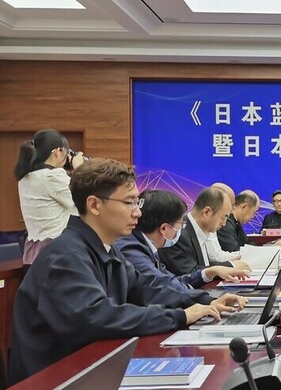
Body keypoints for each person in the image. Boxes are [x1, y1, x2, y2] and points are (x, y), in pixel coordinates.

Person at [8, 159, 246, 384]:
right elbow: (98, 317)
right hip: (55, 380)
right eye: (129, 203)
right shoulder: (65, 257)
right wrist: (180, 316)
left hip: (92, 368)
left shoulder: (105, 249)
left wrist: (206, 300)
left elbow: (147, 287)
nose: (137, 212)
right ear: (94, 205)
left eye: (136, 203)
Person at [115, 189, 248, 296]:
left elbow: (173, 281)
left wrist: (210, 272)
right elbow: (166, 286)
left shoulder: (148, 247)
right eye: (130, 203)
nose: (136, 212)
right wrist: (207, 302)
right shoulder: (131, 248)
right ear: (164, 228)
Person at [14, 129, 86, 265]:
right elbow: (83, 202)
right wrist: (80, 169)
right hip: (57, 251)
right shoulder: (53, 176)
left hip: (33, 252)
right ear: (57, 152)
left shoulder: (25, 177)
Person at [159, 187, 249, 276]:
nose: (224, 224)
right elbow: (189, 273)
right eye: (224, 217)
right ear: (207, 212)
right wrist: (230, 265)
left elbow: (202, 265)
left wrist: (227, 264)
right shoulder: (178, 233)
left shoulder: (199, 230)